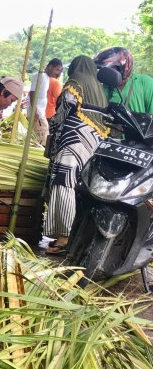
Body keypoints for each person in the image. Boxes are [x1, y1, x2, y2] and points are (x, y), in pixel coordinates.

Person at [43, 56, 109, 255]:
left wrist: (51, 125)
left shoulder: (75, 83)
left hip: (73, 141)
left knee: (64, 185)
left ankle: (64, 237)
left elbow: (63, 111)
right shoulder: (99, 89)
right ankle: (70, 235)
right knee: (77, 189)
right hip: (92, 144)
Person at [94, 47, 153, 114]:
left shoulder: (146, 83)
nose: (106, 73)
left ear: (122, 68)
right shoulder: (105, 86)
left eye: (110, 69)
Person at [28, 58, 64, 145]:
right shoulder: (40, 76)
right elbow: (32, 93)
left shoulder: (47, 78)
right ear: (50, 67)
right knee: (43, 138)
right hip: (38, 113)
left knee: (39, 137)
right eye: (57, 70)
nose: (58, 73)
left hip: (41, 112)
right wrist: (34, 110)